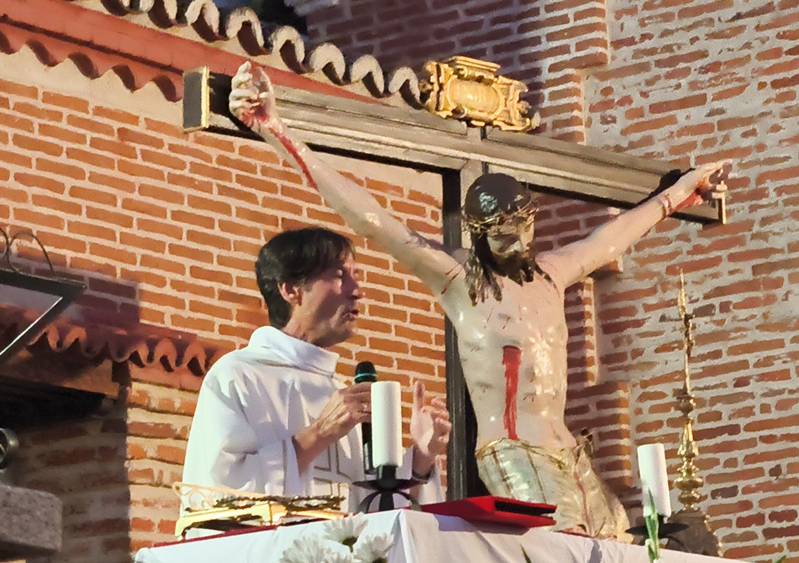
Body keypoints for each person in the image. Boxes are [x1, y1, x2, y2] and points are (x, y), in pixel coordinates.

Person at [228, 62, 730, 538]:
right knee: (561, 543)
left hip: (570, 451)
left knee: (616, 537)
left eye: (524, 227)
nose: (518, 242)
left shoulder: (551, 276)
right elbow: (371, 219)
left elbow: (613, 237)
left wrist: (680, 193)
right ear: (478, 233)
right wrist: (277, 129)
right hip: (512, 450)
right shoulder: (459, 281)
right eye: (503, 234)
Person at [181, 227, 451, 514]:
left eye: (355, 276)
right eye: (338, 276)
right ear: (290, 289)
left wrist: (422, 456)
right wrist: (319, 434)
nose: (357, 291)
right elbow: (213, 497)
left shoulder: (342, 393)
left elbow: (377, 514)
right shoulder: (238, 376)